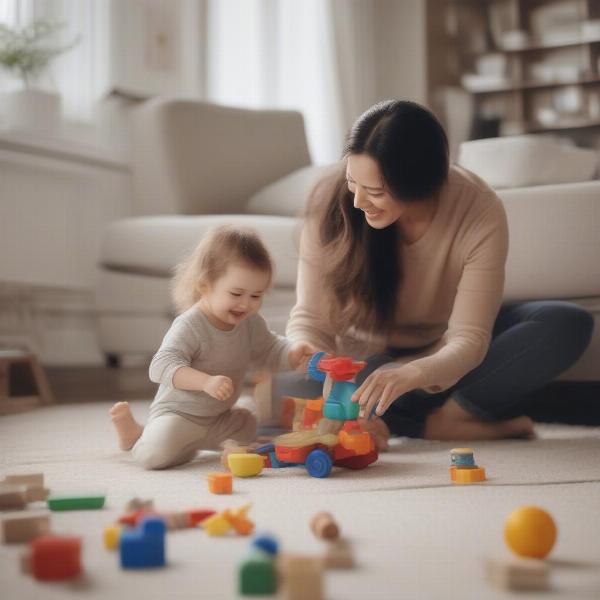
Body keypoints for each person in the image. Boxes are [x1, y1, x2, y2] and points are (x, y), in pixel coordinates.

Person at [279, 99, 594, 446]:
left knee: (565, 322)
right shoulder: (333, 205)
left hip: (444, 355)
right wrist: (308, 351)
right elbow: (310, 318)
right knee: (290, 388)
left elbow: (469, 338)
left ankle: (445, 419)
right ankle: (451, 412)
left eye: (375, 192)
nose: (358, 202)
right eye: (353, 182)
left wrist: (415, 372)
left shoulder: (477, 208)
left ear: (418, 183)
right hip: (369, 359)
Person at [110, 225, 315, 469]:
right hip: (180, 414)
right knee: (152, 457)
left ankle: (191, 443)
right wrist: (205, 382)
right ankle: (136, 436)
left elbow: (269, 349)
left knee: (249, 428)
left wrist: (292, 353)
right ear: (204, 284)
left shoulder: (250, 323)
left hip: (219, 418)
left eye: (256, 295)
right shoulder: (190, 325)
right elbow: (160, 366)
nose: (246, 304)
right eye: (236, 293)